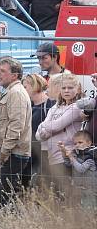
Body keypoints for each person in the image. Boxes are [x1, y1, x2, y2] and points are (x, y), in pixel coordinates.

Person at [0, 57, 32, 206]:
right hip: (8, 152)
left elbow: (16, 125)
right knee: (6, 198)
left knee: (1, 200)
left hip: (12, 153)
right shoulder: (9, 91)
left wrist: (5, 150)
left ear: (15, 75)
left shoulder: (16, 93)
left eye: (3, 71)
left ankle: (4, 226)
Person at [35, 73, 82, 202]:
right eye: (64, 88)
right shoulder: (55, 108)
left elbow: (56, 125)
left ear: (77, 89)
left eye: (70, 88)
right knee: (55, 194)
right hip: (52, 156)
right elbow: (39, 134)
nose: (66, 90)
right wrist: (46, 129)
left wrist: (46, 129)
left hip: (67, 155)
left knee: (66, 194)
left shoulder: (77, 107)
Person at [22, 74, 55, 187]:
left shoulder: (50, 104)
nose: (23, 90)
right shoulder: (29, 106)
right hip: (29, 152)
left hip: (43, 154)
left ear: (34, 86)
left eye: (25, 87)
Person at [61, 131, 96, 209]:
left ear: (89, 143)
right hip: (79, 189)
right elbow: (68, 164)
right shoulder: (77, 155)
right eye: (75, 143)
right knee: (80, 209)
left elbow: (81, 169)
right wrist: (64, 153)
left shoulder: (91, 157)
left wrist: (71, 157)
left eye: (80, 142)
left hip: (90, 190)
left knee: (89, 210)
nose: (77, 145)